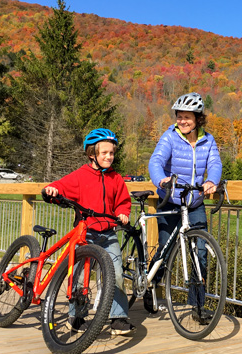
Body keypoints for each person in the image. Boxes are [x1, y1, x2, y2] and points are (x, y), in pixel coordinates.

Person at [43, 128, 135, 336]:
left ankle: (118, 318)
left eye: (111, 153)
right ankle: (76, 317)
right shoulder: (80, 176)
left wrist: (122, 213)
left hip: (108, 234)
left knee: (116, 273)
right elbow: (60, 186)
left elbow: (123, 201)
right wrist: (52, 190)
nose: (109, 157)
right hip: (85, 234)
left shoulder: (116, 179)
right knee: (78, 275)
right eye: (104, 153)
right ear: (92, 154)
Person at [148, 92, 222, 324]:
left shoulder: (208, 140)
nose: (182, 121)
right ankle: (151, 285)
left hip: (194, 203)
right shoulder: (170, 137)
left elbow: (214, 163)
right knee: (165, 251)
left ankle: (198, 306)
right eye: (179, 116)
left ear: (198, 118)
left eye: (187, 117)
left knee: (200, 253)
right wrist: (161, 180)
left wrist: (212, 181)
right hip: (171, 201)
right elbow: (156, 161)